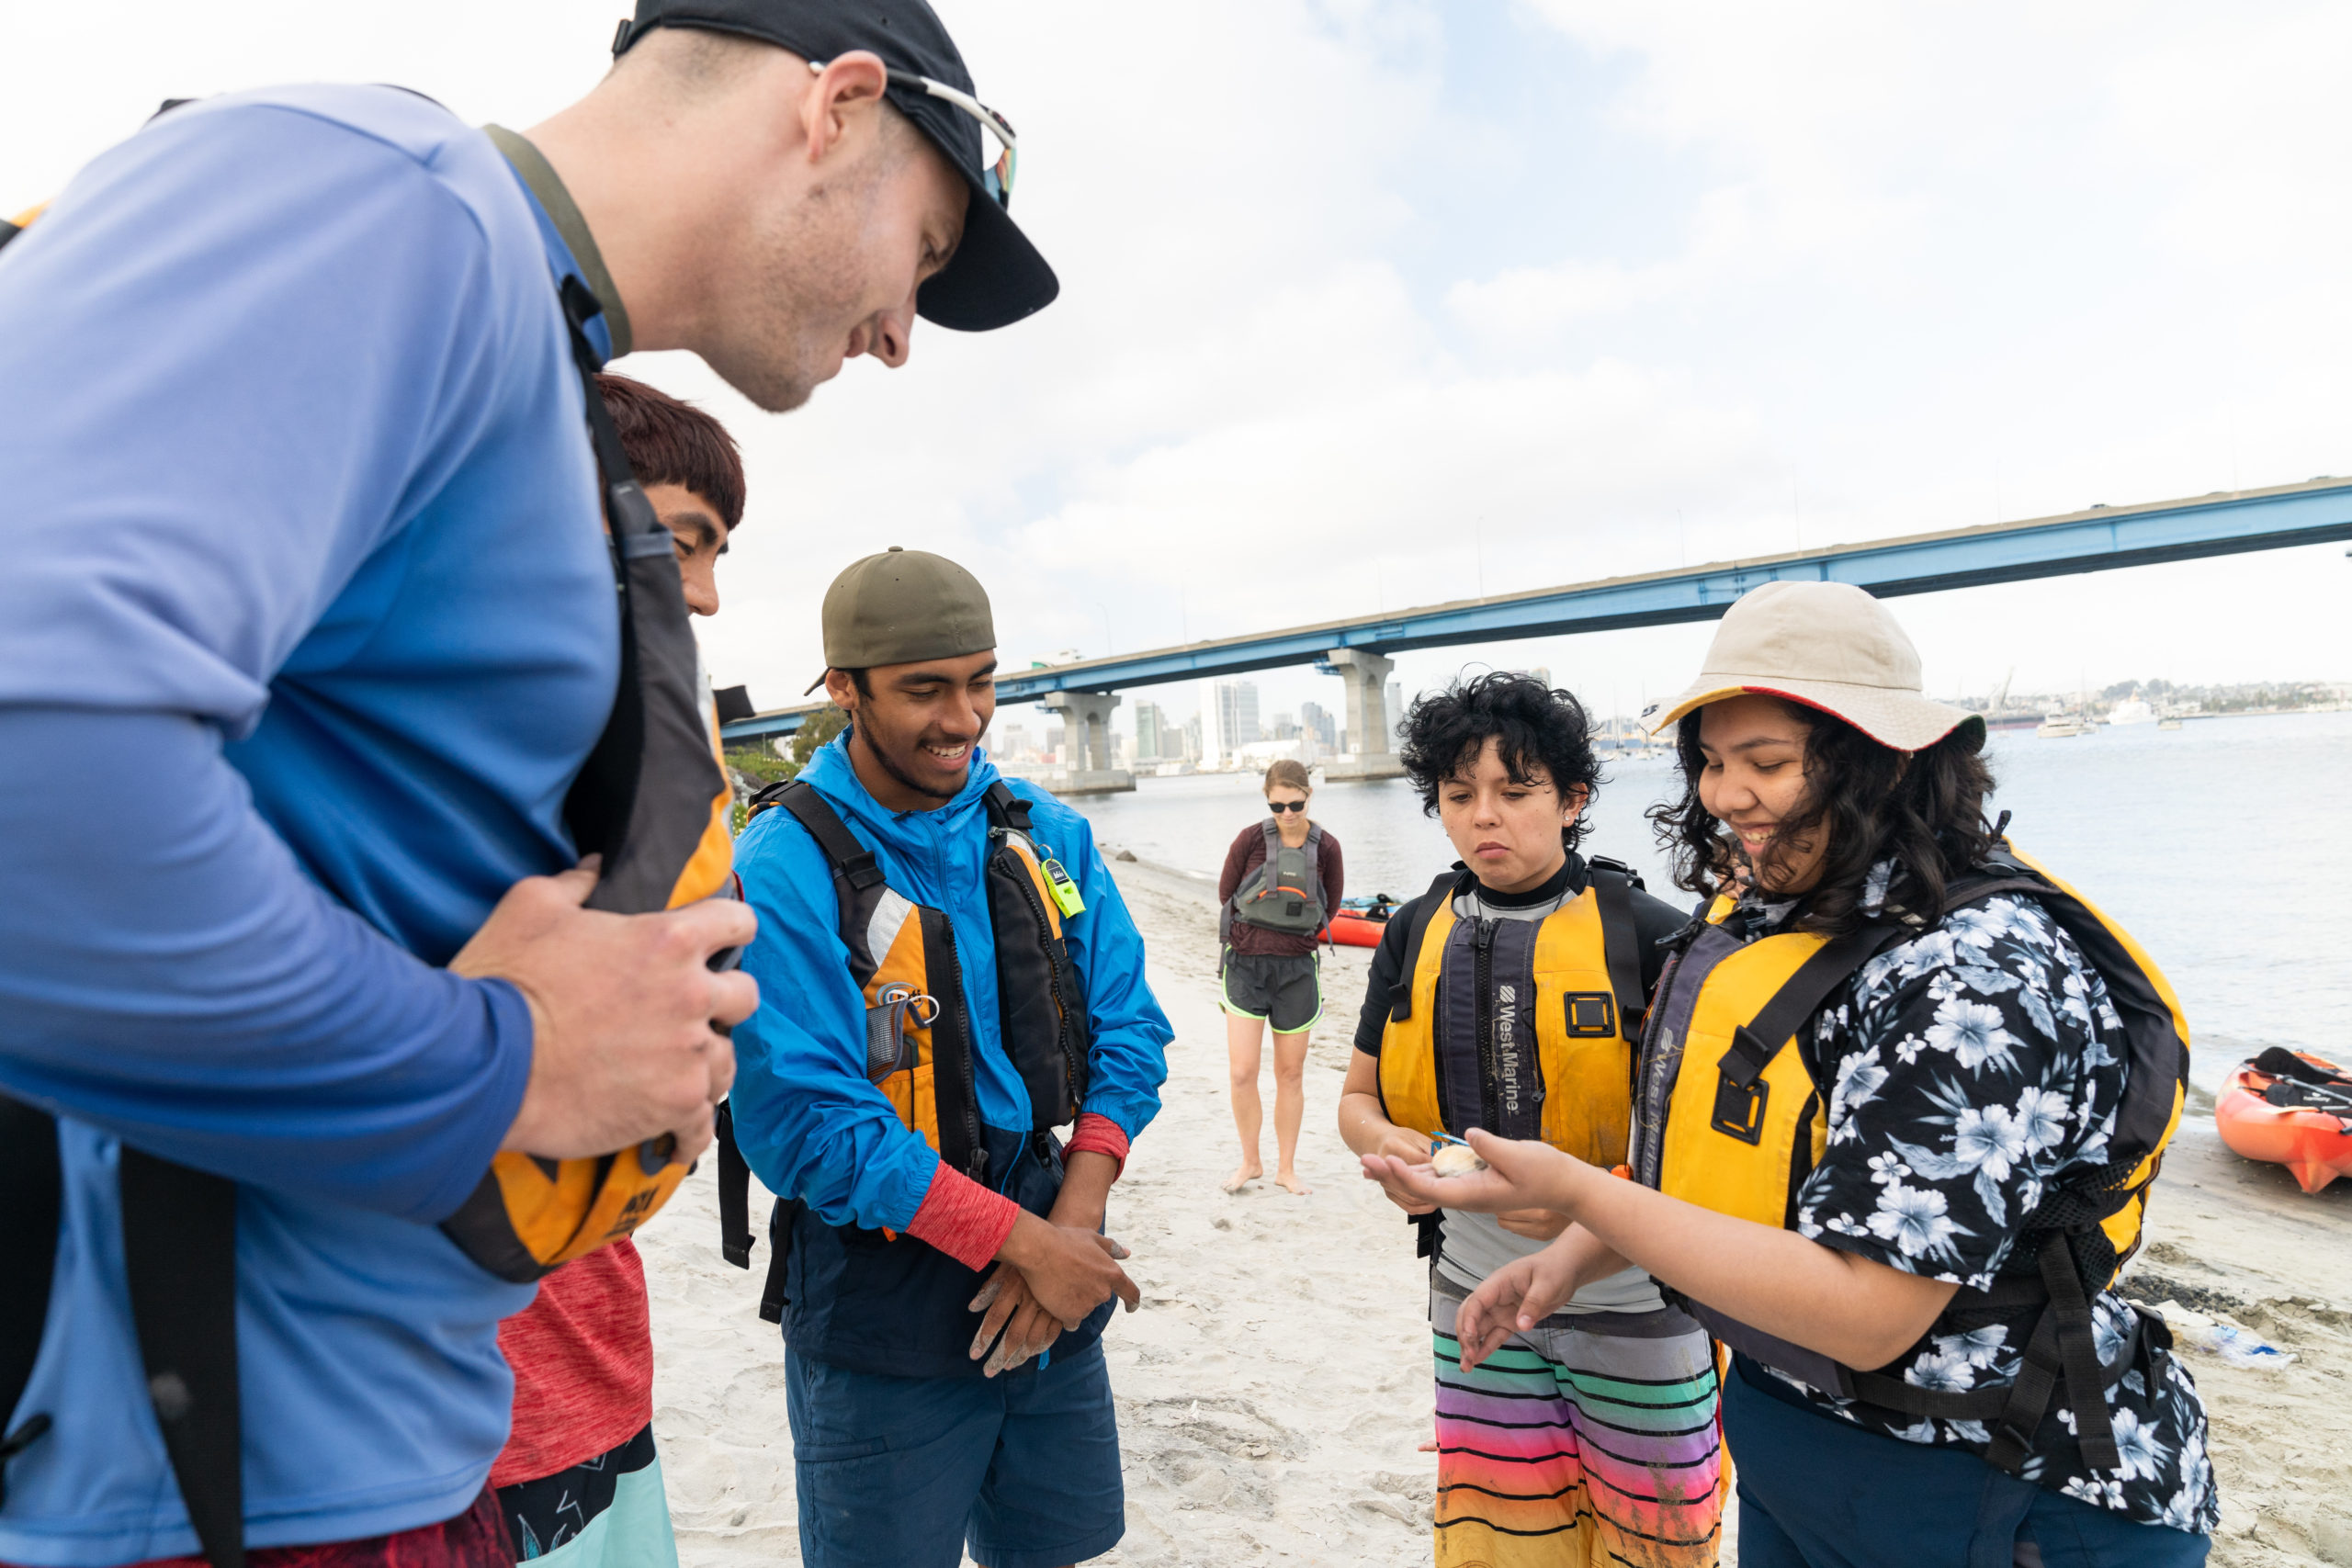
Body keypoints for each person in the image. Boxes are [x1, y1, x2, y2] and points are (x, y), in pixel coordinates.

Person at [0, 0, 1055, 1558]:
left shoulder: (524, 359)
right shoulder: (383, 202)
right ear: (832, 108)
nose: (904, 329)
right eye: (929, 238)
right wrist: (498, 1065)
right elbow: (38, 779)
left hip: (391, 1456)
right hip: (208, 1488)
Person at [1367, 583, 2216, 1568]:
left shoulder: (1975, 970)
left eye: (1764, 762)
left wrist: (1572, 1191)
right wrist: (1561, 1263)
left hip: (1997, 1480)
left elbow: (1867, 1314)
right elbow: (1744, 1178)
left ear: (1881, 761)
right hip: (1801, 1449)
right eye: (1713, 762)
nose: (1725, 796)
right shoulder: (1791, 916)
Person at [723, 549, 1172, 1568]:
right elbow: (806, 1123)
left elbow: (1130, 1032)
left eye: (980, 681)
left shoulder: (1044, 834)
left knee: (1055, 1551)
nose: (964, 719)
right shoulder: (781, 864)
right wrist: (1018, 1243)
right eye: (925, 689)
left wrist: (1071, 1224)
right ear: (844, 688)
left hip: (1054, 1246)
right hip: (882, 1295)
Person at [1341, 672, 1724, 1568]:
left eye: (1516, 793)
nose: (1485, 817)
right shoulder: (1412, 932)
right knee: (1497, 1543)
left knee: (1658, 1547)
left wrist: (1587, 1208)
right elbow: (1357, 1104)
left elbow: (1708, 1164)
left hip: (1638, 1312)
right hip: (1472, 1304)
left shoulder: (1653, 938)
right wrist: (1386, 1149)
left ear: (1573, 799)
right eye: (1459, 795)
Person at [492, 374, 746, 1568]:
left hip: (601, 1361)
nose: (699, 591)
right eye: (682, 540)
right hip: (468, 1420)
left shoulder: (615, 756)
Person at [1216, 758, 1343, 1195]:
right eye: (1278, 805)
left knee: (1290, 1074)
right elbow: (1225, 893)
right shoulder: (1249, 839)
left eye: (1295, 803)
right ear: (1267, 801)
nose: (1287, 813)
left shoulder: (1327, 847)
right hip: (1246, 965)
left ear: (1309, 795)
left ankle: (1285, 1168)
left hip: (1297, 970)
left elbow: (1333, 904)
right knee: (1242, 1072)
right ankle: (1250, 1161)